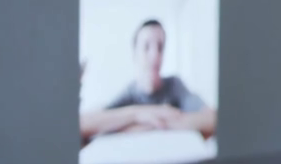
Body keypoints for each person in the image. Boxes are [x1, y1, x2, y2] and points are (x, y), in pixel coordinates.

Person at [80, 20, 216, 141]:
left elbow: (214, 119)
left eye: (160, 47)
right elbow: (82, 124)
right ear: (135, 54)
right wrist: (138, 114)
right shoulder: (129, 93)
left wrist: (146, 123)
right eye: (146, 47)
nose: (155, 55)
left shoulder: (174, 85)